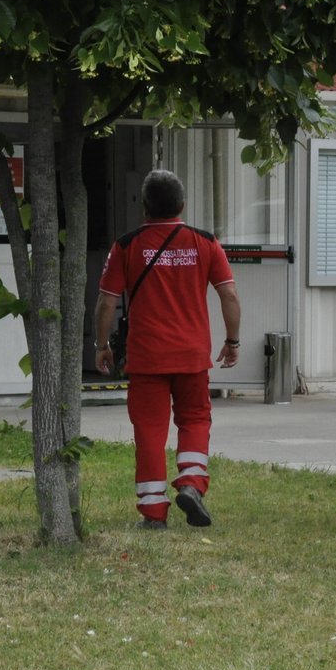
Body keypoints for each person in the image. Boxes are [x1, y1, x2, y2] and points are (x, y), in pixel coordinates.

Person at [94, 170, 242, 530]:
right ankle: (191, 483)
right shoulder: (206, 243)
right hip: (192, 356)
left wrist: (101, 344)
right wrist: (232, 340)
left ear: (144, 206)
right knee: (194, 419)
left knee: (149, 430)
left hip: (146, 358)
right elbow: (229, 295)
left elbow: (106, 302)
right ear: (182, 204)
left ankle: (153, 512)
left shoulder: (126, 246)